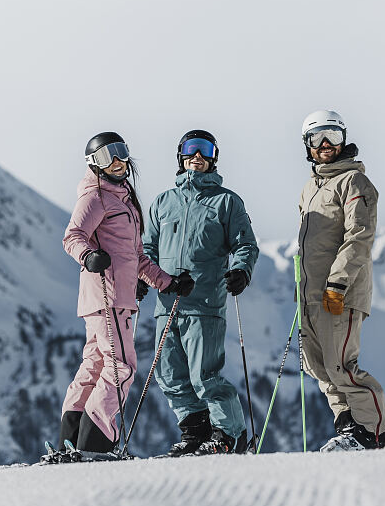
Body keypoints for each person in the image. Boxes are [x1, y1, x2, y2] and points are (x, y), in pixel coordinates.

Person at [60, 132, 194, 455]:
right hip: (106, 295)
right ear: (96, 164)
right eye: (108, 156)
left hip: (115, 297)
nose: (118, 161)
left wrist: (167, 282)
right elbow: (73, 236)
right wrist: (89, 256)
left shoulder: (123, 200)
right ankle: (95, 441)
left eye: (121, 152)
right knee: (121, 365)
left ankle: (73, 435)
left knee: (95, 363)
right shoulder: (95, 197)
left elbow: (136, 257)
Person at [142, 130, 258, 455]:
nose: (197, 155)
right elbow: (146, 248)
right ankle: (196, 431)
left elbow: (245, 244)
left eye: (205, 150)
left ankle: (228, 434)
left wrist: (241, 270)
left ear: (214, 157)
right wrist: (146, 278)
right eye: (191, 149)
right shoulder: (163, 203)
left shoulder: (226, 202)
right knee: (169, 375)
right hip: (167, 303)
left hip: (205, 303)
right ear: (180, 156)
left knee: (204, 375)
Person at [296, 110, 385, 451]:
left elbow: (359, 236)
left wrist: (337, 283)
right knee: (319, 368)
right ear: (307, 145)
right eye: (318, 138)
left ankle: (373, 434)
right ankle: (349, 426)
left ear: (344, 140)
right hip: (310, 296)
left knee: (342, 367)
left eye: (333, 137)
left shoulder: (354, 182)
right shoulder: (311, 188)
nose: (325, 145)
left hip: (340, 292)